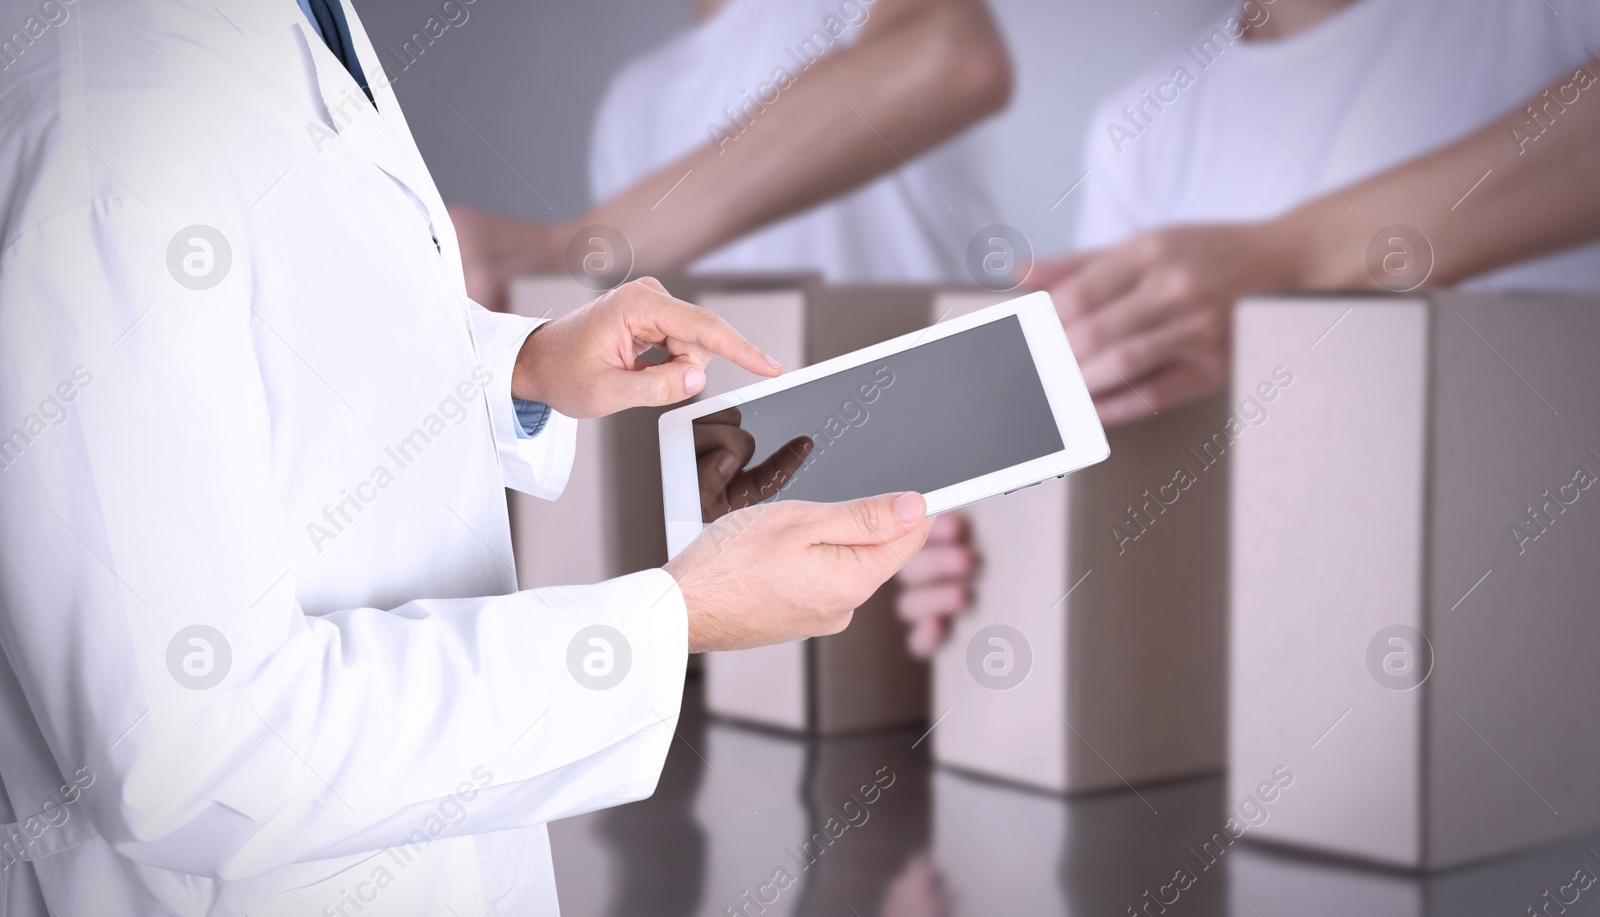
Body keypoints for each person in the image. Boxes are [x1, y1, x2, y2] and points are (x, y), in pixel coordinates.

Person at [0, 1, 933, 914]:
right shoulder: (106, 126)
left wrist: (519, 370)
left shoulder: (292, 23)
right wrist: (669, 621)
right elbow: (190, 756)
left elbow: (273, 335)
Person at [898, 0, 1600, 645]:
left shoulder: (1538, 19)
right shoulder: (1141, 128)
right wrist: (989, 538)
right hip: (1282, 671)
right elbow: (1121, 437)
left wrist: (1287, 259)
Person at [449, 0, 1012, 309]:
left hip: (949, 475)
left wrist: (572, 250)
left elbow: (957, 60)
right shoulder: (634, 103)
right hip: (761, 496)